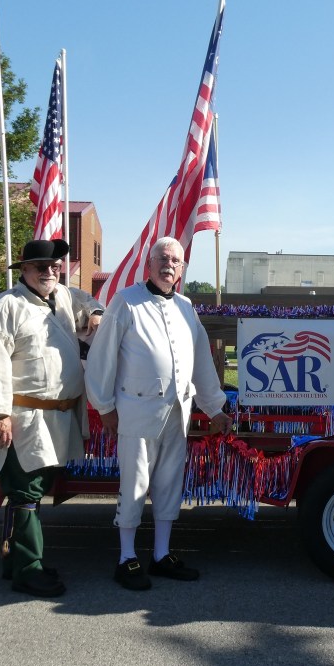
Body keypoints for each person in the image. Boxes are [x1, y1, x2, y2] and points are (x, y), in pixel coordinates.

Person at [85, 237, 231, 592]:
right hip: (135, 412)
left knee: (168, 485)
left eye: (176, 260)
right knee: (134, 485)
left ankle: (162, 554)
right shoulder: (125, 301)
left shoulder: (185, 306)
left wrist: (215, 407)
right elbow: (102, 357)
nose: (169, 264)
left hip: (176, 412)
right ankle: (126, 558)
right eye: (163, 258)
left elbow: (200, 362)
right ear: (148, 265)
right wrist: (104, 406)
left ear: (181, 270)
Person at [0, 239, 104, 598]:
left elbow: (84, 302)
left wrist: (93, 313)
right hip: (23, 417)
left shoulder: (59, 298)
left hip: (56, 418)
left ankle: (15, 562)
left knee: (33, 491)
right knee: (25, 491)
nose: (49, 271)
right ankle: (28, 571)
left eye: (55, 265)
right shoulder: (6, 306)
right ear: (23, 270)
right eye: (40, 266)